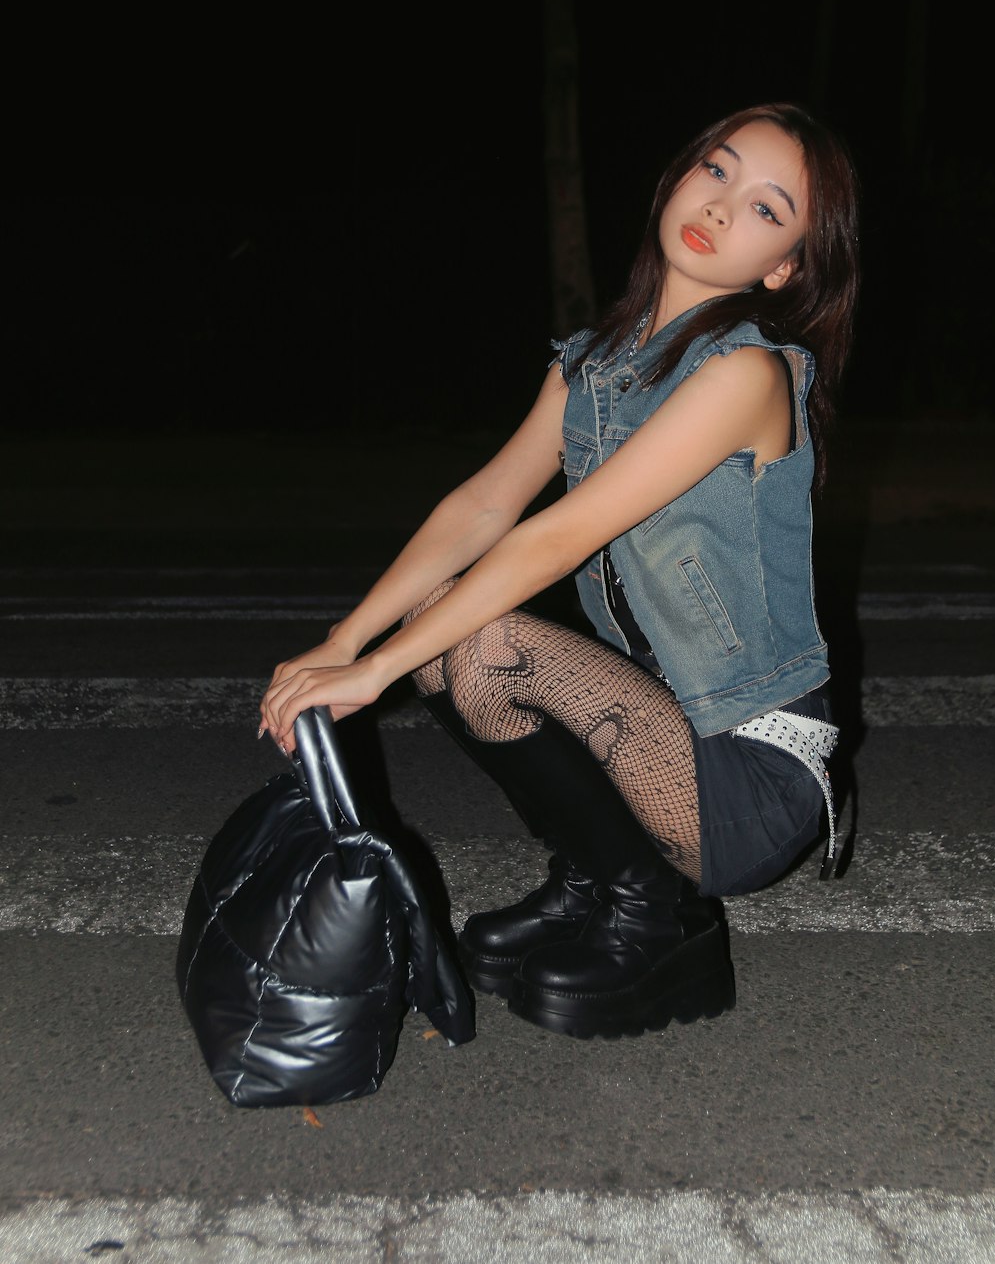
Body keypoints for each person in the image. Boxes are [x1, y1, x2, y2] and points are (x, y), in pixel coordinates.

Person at [259, 101, 861, 1042]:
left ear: (782, 268)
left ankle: (653, 916)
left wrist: (367, 679)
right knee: (443, 618)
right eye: (717, 170)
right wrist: (344, 641)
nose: (721, 204)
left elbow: (554, 537)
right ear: (678, 176)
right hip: (656, 732)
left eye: (765, 208)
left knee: (489, 641)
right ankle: (596, 876)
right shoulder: (592, 366)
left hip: (748, 769)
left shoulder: (747, 377)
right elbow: (484, 507)